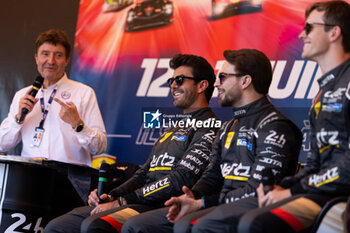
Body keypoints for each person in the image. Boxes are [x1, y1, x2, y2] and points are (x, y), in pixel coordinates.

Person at [121, 48, 302, 233]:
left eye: (223, 77)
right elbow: (212, 176)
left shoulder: (274, 126)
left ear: (245, 81)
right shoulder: (228, 126)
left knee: (182, 225)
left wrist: (202, 202)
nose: (216, 84)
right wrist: (192, 197)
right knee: (136, 225)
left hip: (254, 210)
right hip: (220, 205)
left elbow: (258, 190)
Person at [44, 54, 220, 233]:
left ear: (202, 86)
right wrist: (111, 195)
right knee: (58, 226)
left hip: (162, 206)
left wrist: (122, 201)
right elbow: (143, 174)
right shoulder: (172, 128)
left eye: (180, 80)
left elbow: (179, 180)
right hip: (138, 201)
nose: (173, 85)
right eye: (171, 80)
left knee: (97, 225)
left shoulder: (210, 127)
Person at [236, 1, 350, 232]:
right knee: (246, 216)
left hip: (341, 197)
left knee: (254, 222)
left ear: (334, 32)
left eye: (309, 28)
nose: (301, 35)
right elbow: (315, 163)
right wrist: (282, 187)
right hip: (324, 191)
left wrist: (292, 191)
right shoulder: (322, 93)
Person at [0, 29, 107, 166]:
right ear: (36, 58)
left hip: (70, 179)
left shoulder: (84, 93)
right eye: (45, 54)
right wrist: (18, 119)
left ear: (67, 60)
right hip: (30, 176)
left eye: (58, 55)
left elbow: (99, 147)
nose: (51, 61)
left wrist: (78, 124)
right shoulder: (23, 95)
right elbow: (2, 145)